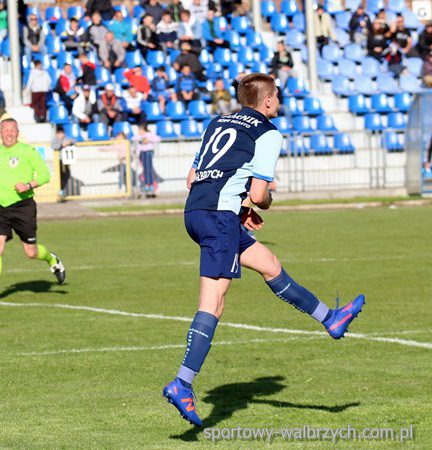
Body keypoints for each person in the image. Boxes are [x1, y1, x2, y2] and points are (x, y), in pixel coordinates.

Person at [163, 73, 365, 427]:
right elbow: (259, 194)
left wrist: (238, 209)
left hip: (197, 212)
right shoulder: (268, 133)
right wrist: (263, 200)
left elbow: (194, 177)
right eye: (277, 98)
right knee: (213, 303)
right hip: (218, 219)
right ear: (268, 101)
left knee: (269, 263)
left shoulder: (218, 121)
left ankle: (331, 319)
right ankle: (182, 382)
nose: (279, 103)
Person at [0, 118, 66, 303]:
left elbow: (44, 175)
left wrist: (28, 185)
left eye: (13, 130)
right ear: (0, 133)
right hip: (1, 207)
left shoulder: (27, 151)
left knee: (31, 252)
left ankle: (52, 260)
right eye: (6, 130)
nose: (9, 133)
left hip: (23, 207)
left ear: (17, 132)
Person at [132, 122, 160, 196]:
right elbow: (133, 138)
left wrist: (148, 140)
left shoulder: (149, 135)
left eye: (140, 130)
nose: (139, 131)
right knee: (145, 170)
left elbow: (158, 138)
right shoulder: (139, 136)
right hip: (142, 153)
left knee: (149, 169)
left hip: (148, 152)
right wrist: (141, 138)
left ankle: (150, 185)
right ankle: (147, 184)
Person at [51, 127, 74, 197]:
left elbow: (74, 141)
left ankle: (61, 189)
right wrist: (62, 145)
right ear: (56, 134)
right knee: (60, 175)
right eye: (59, 133)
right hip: (58, 160)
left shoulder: (66, 138)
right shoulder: (55, 140)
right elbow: (53, 146)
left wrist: (69, 142)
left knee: (67, 175)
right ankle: (60, 190)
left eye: (62, 133)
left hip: (65, 160)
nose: (61, 135)